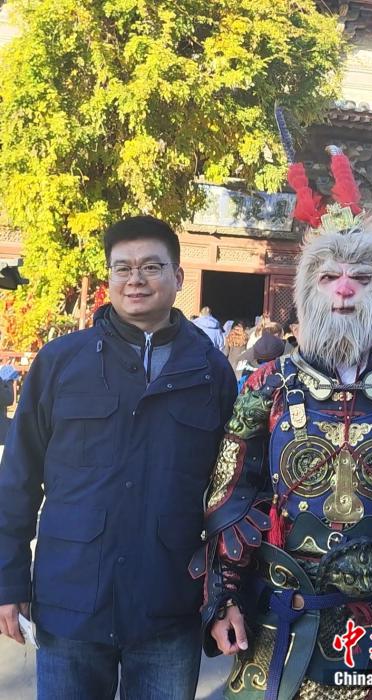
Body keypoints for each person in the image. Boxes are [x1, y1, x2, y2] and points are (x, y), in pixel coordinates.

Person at [191, 146, 372, 700]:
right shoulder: (269, 386)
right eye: (330, 276)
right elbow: (231, 500)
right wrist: (225, 598)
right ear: (310, 290)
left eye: (361, 277)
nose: (345, 288)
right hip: (284, 618)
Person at [0, 215, 237, 700]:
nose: (136, 279)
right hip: (71, 601)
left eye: (151, 266)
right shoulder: (61, 362)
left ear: (178, 276)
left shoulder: (210, 372)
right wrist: (7, 580)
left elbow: (231, 492)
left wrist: (228, 595)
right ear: (109, 277)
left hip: (168, 602)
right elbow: (17, 478)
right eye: (123, 268)